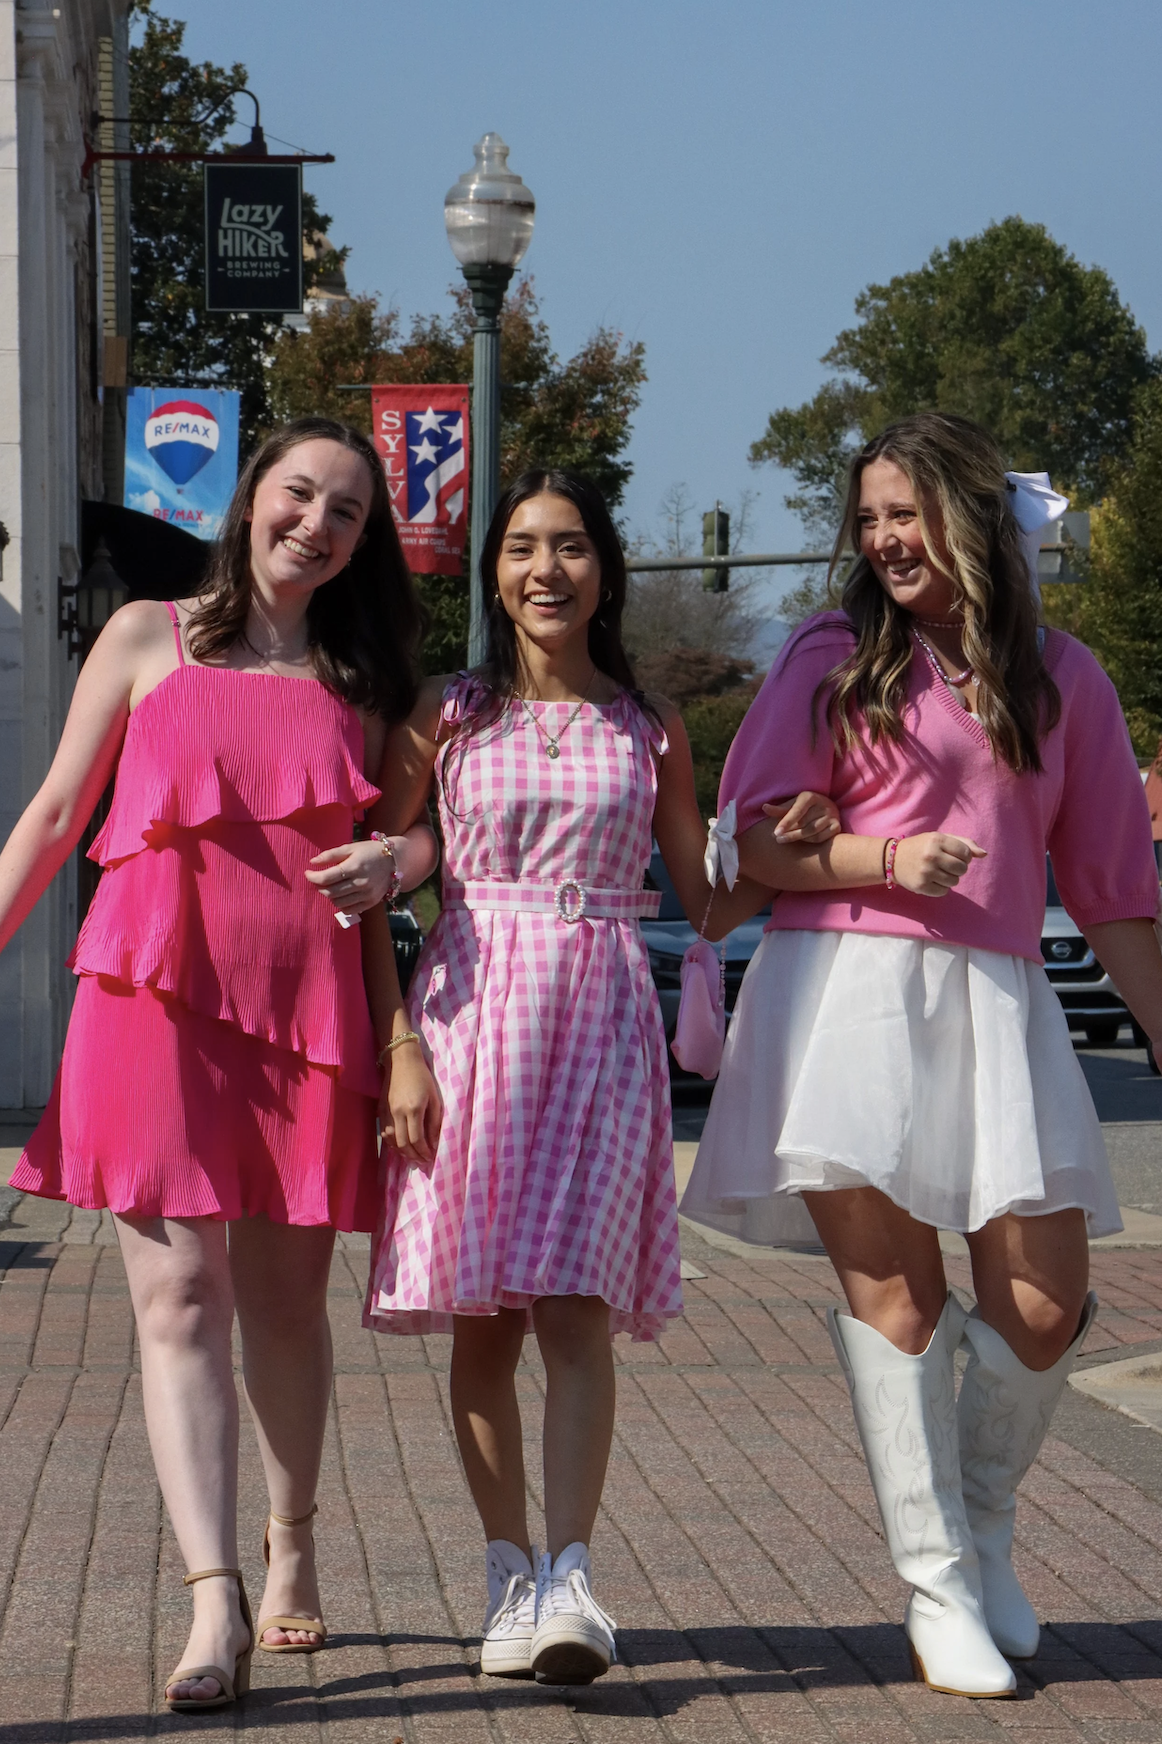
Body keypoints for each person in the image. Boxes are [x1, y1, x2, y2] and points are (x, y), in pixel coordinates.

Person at [681, 412, 1162, 1699]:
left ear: (972, 522)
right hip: (845, 992)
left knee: (1046, 1304)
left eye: (909, 512)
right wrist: (855, 848)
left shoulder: (1067, 677)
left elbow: (1114, 887)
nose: (886, 538)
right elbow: (750, 848)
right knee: (894, 1301)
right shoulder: (832, 657)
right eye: (872, 517)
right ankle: (936, 1579)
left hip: (999, 1004)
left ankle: (983, 1527)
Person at [357, 469, 838, 1686]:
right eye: (520, 548)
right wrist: (400, 1044)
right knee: (484, 1319)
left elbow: (706, 894)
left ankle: (571, 1575)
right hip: (471, 1014)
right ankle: (505, 1570)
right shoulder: (444, 712)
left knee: (573, 1309)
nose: (545, 569)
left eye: (569, 547)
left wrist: (798, 846)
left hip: (602, 1017)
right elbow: (394, 872)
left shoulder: (651, 725)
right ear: (494, 574)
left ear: (606, 572)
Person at [4, 418, 437, 1711]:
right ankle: (214, 1598)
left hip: (309, 1011)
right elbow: (50, 816)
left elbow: (428, 841)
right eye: (300, 493)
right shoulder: (145, 635)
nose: (316, 522)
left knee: (285, 1308)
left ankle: (291, 1537)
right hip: (148, 999)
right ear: (254, 498)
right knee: (176, 1302)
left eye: (347, 512)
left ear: (363, 543)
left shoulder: (367, 682)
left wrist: (397, 867)